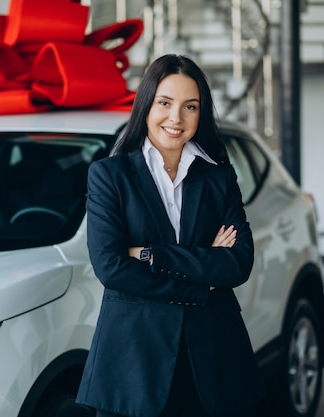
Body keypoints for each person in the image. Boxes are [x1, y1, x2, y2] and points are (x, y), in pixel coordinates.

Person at [76, 54, 265, 417]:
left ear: (201, 113)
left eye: (189, 106)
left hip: (213, 361)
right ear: (146, 105)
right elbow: (111, 267)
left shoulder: (218, 177)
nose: (176, 118)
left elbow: (237, 264)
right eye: (165, 103)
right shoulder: (109, 176)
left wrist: (151, 255)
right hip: (134, 366)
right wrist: (199, 282)